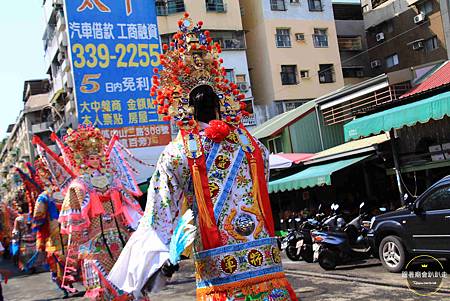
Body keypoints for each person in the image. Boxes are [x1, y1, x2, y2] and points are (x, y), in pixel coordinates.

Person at [108, 14, 298, 301]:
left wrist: (148, 274)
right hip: (266, 268)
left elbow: (158, 217)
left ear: (182, 106)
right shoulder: (255, 146)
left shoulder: (176, 153)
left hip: (219, 276)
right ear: (223, 100)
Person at [57, 126, 144, 300]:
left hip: (120, 237)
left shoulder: (112, 178)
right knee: (101, 284)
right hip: (95, 241)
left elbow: (130, 201)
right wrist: (78, 236)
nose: (96, 160)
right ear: (83, 159)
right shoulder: (79, 184)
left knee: (128, 278)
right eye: (91, 157)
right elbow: (75, 212)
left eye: (98, 157)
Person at [29, 157, 74, 298]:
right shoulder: (61, 193)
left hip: (63, 234)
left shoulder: (47, 196)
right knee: (60, 260)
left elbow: (37, 217)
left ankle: (67, 286)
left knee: (63, 259)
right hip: (59, 234)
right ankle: (67, 285)